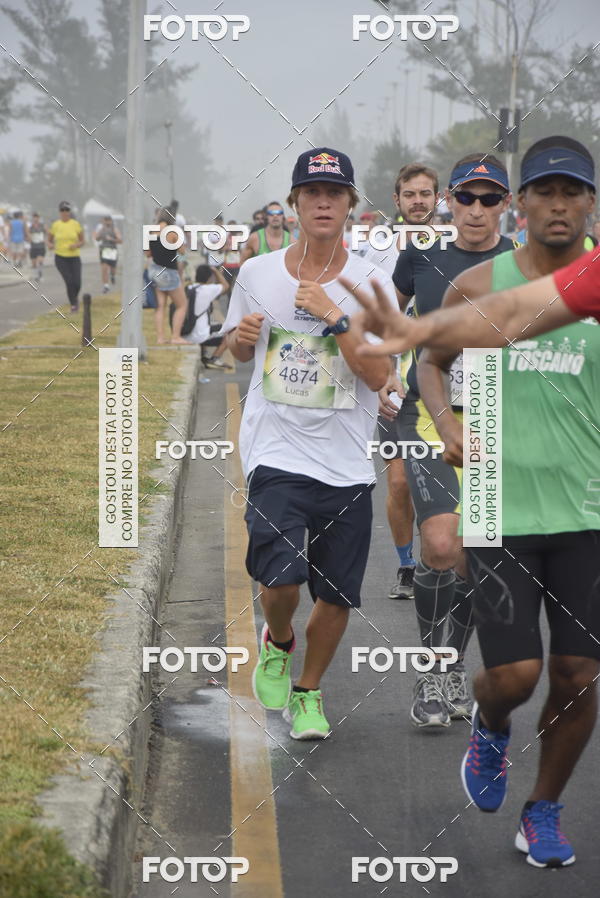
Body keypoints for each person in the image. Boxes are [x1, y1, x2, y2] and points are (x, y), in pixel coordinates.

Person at [346, 137, 600, 868]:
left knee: (580, 675)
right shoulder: (478, 282)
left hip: (586, 506)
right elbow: (433, 361)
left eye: (572, 192)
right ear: (527, 203)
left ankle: (542, 810)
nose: (557, 204)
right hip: (498, 498)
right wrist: (449, 424)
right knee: (517, 676)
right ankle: (490, 725)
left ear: (589, 203)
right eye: (542, 192)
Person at [221, 147, 393, 740]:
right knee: (281, 581)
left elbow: (378, 375)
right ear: (294, 203)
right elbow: (239, 351)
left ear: (349, 205)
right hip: (276, 451)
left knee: (337, 594)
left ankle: (309, 692)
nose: (324, 202)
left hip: (346, 459)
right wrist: (243, 342)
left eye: (336, 193)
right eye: (312, 193)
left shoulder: (371, 283)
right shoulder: (257, 273)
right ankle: (279, 640)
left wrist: (337, 319)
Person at [388, 154, 515, 728]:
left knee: (473, 552)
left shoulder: (525, 262)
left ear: (505, 205)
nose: (477, 209)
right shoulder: (421, 255)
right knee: (440, 544)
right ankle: (430, 666)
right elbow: (392, 320)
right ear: (450, 202)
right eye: (467, 197)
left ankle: (448, 667)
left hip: (494, 415)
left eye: (490, 199)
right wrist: (387, 369)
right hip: (425, 413)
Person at [365, 162, 440, 601]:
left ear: (437, 199)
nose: (418, 202)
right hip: (396, 383)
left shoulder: (454, 246)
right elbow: (374, 320)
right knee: (398, 482)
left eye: (425, 194)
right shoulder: (375, 251)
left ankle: (445, 561)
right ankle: (407, 565)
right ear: (397, 201)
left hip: (447, 385)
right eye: (410, 195)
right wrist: (382, 373)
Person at [145, 207, 189, 345]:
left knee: (160, 306)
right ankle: (175, 337)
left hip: (154, 270)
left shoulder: (150, 230)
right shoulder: (172, 231)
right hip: (169, 272)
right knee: (182, 305)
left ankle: (160, 338)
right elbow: (182, 251)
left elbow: (147, 253)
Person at [186, 264, 232, 369]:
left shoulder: (189, 288)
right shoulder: (208, 289)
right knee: (231, 330)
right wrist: (216, 271)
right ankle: (214, 359)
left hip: (186, 333)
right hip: (199, 336)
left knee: (207, 323)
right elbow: (226, 286)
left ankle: (204, 355)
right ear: (210, 278)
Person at [47, 201, 84, 313]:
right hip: (60, 257)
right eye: (62, 210)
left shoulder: (75, 224)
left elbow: (82, 241)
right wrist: (50, 245)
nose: (64, 212)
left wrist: (76, 245)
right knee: (69, 281)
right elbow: (48, 240)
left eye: (66, 210)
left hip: (74, 257)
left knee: (77, 282)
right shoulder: (56, 225)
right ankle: (73, 304)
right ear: (59, 212)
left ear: (69, 211)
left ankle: (74, 298)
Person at [95, 215, 122, 293]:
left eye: (108, 220)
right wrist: (100, 234)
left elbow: (120, 240)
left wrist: (112, 239)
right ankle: (106, 286)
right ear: (103, 221)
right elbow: (96, 238)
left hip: (112, 250)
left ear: (111, 221)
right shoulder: (101, 229)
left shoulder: (114, 229)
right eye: (105, 220)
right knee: (104, 268)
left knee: (112, 269)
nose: (107, 222)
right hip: (104, 250)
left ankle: (113, 275)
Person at [26, 212, 46, 280]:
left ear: (39, 218)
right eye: (34, 217)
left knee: (40, 260)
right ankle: (35, 275)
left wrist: (45, 240)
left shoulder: (42, 226)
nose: (35, 218)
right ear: (33, 218)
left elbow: (48, 233)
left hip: (41, 246)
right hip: (33, 246)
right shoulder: (30, 227)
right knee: (34, 263)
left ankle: (40, 274)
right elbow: (27, 235)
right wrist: (29, 238)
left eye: (37, 217)